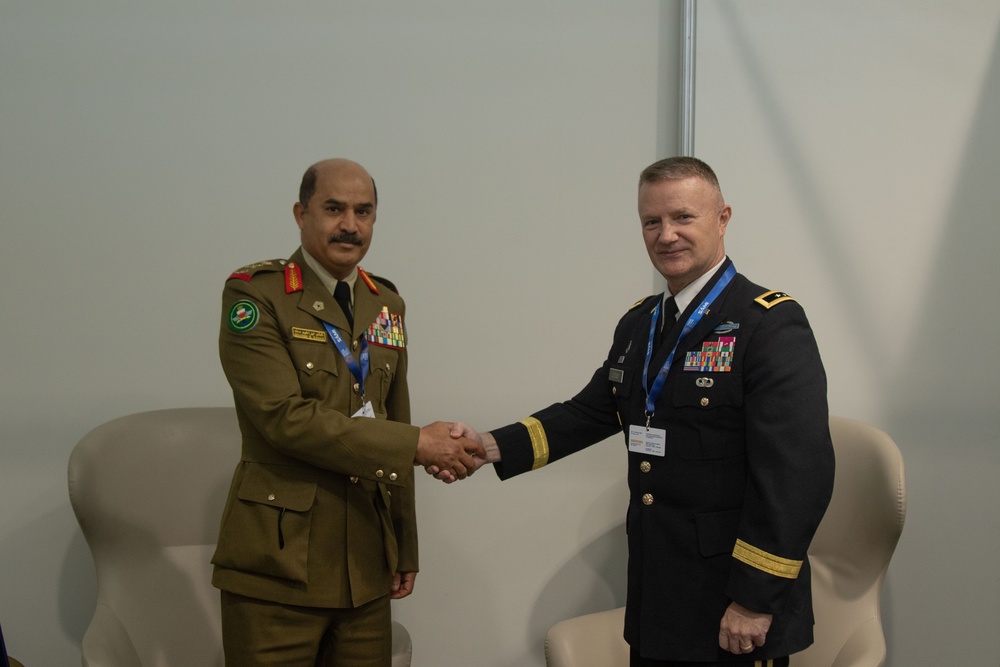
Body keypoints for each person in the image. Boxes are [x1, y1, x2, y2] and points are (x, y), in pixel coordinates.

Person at [442, 157, 835, 666]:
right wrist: (487, 446)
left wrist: (754, 599)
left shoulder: (770, 325)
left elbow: (797, 476)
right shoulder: (642, 323)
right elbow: (588, 412)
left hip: (731, 604)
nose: (666, 235)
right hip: (658, 594)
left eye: (682, 218)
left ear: (723, 218)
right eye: (652, 222)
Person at [212, 158, 484, 666]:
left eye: (364, 211)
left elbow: (394, 417)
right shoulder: (256, 293)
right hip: (277, 564)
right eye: (334, 209)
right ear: (301, 213)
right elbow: (282, 418)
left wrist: (403, 545)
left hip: (365, 562)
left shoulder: (387, 303)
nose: (350, 225)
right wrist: (419, 444)